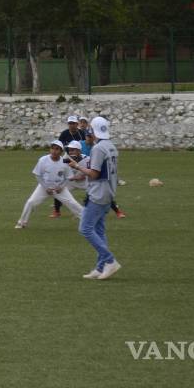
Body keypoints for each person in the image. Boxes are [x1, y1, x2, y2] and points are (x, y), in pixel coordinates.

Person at [68, 117, 119, 280]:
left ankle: (110, 260)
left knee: (85, 228)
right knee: (99, 230)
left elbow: (94, 174)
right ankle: (101, 266)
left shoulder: (98, 148)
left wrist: (77, 166)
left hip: (98, 193)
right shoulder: (111, 146)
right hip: (108, 192)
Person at [15, 140, 84, 229]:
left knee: (73, 203)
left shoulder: (65, 162)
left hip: (59, 189)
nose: (54, 151)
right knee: (30, 202)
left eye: (57, 149)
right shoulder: (43, 160)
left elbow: (68, 177)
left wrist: (61, 187)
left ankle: (87, 220)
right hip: (44, 187)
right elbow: (38, 175)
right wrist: (46, 187)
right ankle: (22, 223)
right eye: (52, 148)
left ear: (61, 151)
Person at [52, 115, 87, 217]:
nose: (71, 125)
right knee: (59, 186)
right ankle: (57, 211)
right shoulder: (65, 133)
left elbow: (85, 144)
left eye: (73, 123)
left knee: (95, 188)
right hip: (68, 156)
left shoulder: (81, 133)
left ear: (77, 124)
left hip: (80, 157)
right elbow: (59, 146)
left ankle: (115, 209)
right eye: (70, 123)